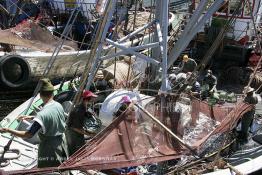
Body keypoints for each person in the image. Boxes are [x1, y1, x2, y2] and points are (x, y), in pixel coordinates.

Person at [0, 78, 68, 168]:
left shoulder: (42, 114)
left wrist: (8, 130)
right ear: (52, 93)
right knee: (61, 167)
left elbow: (28, 134)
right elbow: (51, 117)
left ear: (40, 95)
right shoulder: (58, 105)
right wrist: (31, 117)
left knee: (48, 170)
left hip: (50, 149)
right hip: (62, 143)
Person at [65, 90, 98, 156]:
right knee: (77, 153)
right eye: (92, 98)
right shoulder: (79, 110)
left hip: (78, 131)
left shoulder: (84, 107)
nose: (94, 100)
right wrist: (89, 134)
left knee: (81, 149)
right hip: (73, 134)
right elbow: (75, 128)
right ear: (88, 99)